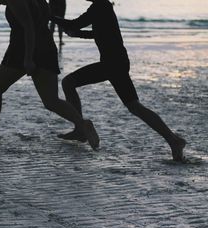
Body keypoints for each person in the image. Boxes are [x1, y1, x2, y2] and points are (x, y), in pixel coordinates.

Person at [51, 0, 186, 161]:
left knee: (68, 82)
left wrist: (48, 16)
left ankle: (80, 130)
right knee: (135, 107)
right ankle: (173, 140)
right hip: (116, 62)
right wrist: (76, 33)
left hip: (112, 64)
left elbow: (75, 24)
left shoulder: (100, 6)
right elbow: (100, 33)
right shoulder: (103, 7)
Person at [0, 0, 99, 150]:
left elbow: (29, 28)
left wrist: (29, 58)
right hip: (47, 47)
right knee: (51, 101)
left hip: (23, 49)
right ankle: (82, 125)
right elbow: (44, 20)